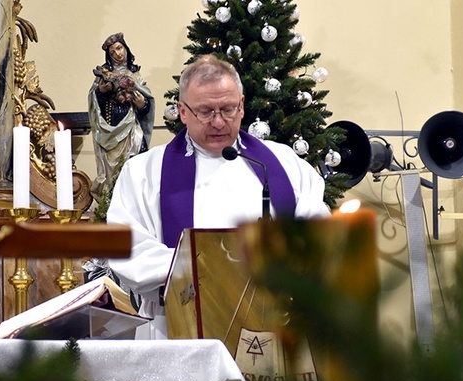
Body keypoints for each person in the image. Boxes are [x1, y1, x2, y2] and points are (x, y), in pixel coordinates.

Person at [107, 54, 330, 341]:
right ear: (183, 111)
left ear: (242, 107)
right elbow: (128, 248)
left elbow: (317, 232)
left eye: (227, 109)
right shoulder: (143, 173)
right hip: (180, 326)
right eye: (205, 111)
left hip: (275, 326)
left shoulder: (283, 163)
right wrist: (213, 269)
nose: (217, 122)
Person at [89, 32, 154, 202]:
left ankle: (132, 201)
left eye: (119, 48)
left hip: (131, 127)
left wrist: (141, 104)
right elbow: (95, 103)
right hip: (110, 128)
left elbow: (146, 104)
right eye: (113, 52)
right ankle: (110, 203)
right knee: (111, 171)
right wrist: (101, 93)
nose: (117, 54)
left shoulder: (136, 76)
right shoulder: (103, 75)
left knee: (134, 163)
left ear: (126, 48)